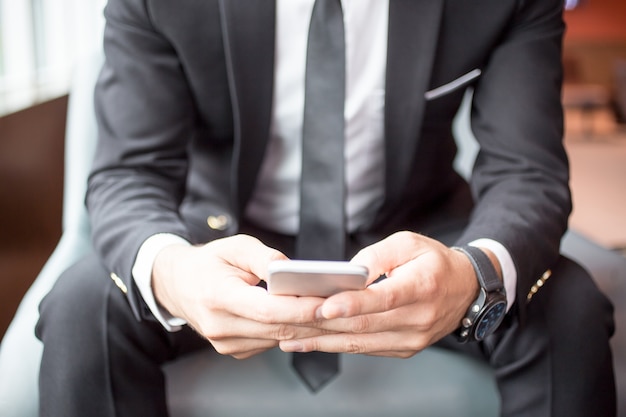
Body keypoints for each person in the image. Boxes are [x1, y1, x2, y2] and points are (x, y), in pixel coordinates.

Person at [35, 0, 617, 416]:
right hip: (222, 238)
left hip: (415, 232)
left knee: (569, 306)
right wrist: (174, 272)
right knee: (80, 306)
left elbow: (528, 172)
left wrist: (474, 273)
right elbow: (128, 173)